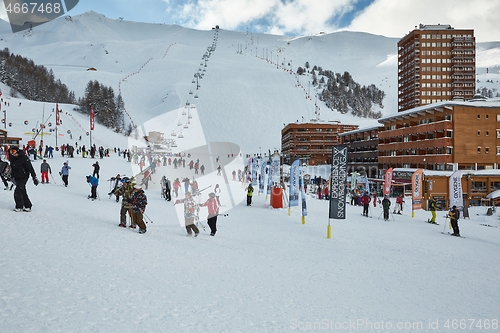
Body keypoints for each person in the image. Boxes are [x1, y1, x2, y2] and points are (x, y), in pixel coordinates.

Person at [9, 147, 39, 212]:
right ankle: (28, 206)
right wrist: (10, 176)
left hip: (24, 176)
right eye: (11, 153)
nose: (13, 154)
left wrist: (34, 177)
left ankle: (19, 206)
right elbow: (12, 168)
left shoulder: (24, 158)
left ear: (17, 151)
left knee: (18, 191)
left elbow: (30, 168)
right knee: (22, 191)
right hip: (16, 177)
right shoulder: (12, 158)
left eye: (14, 152)